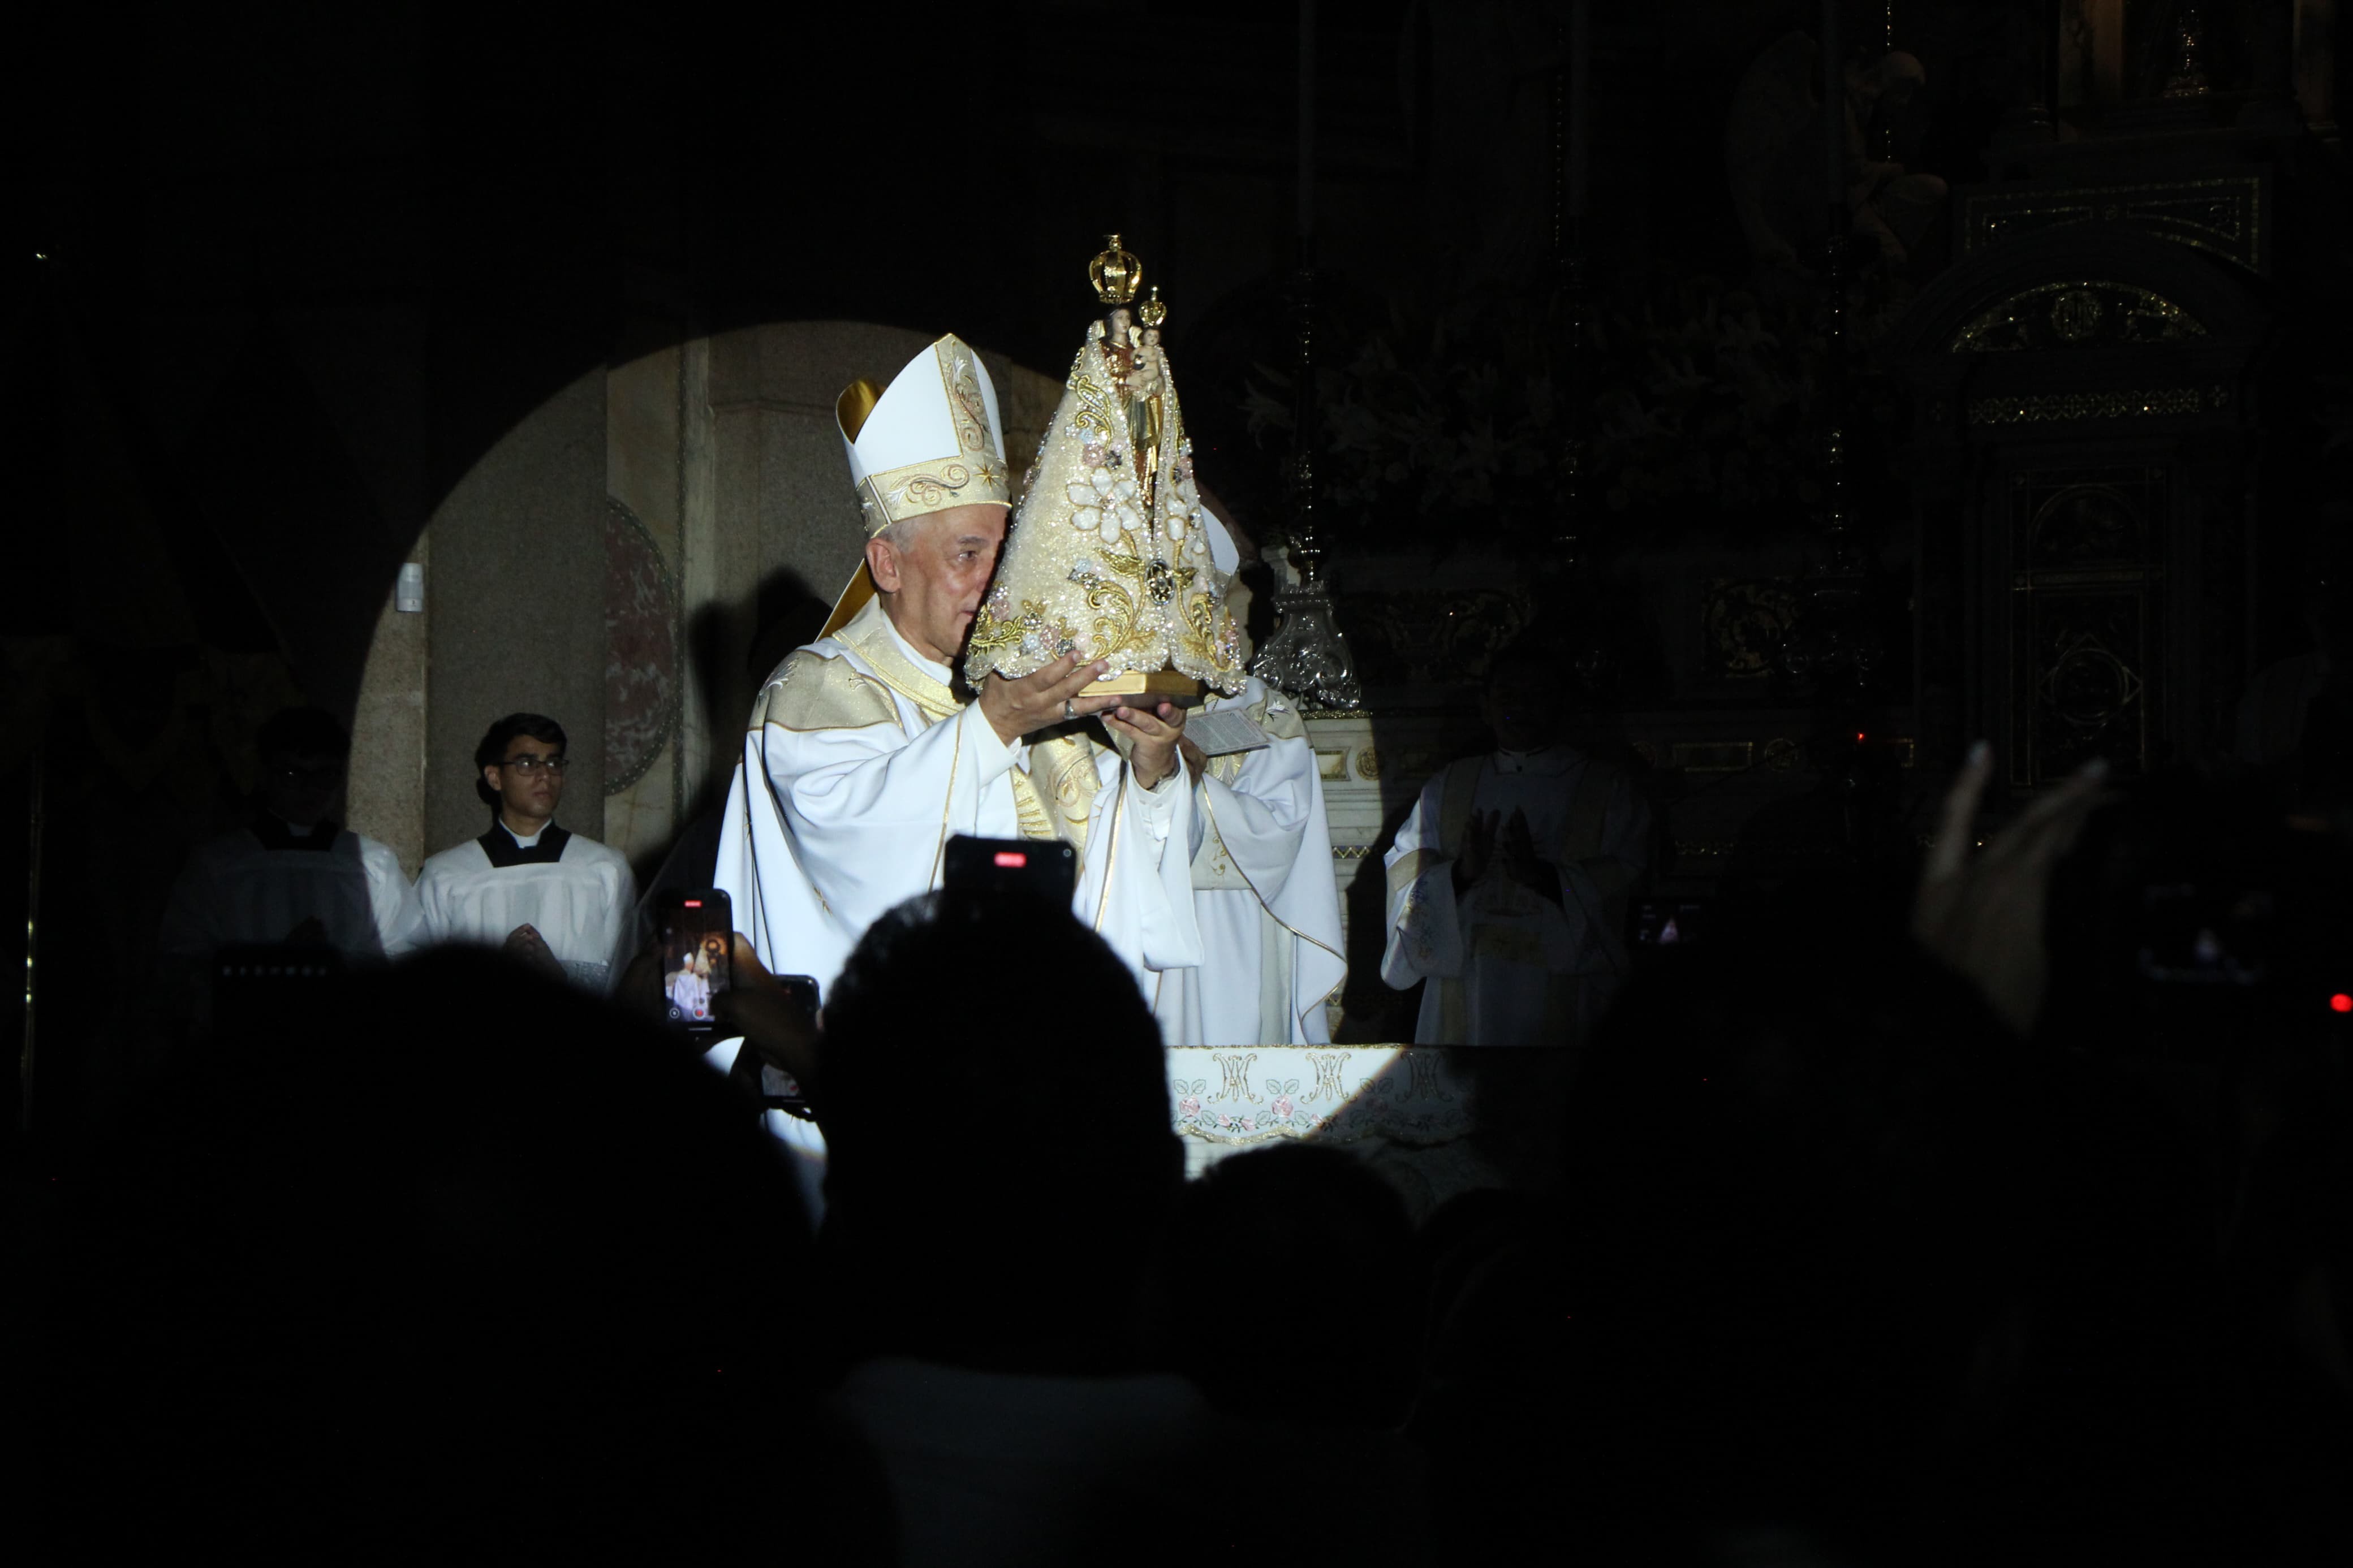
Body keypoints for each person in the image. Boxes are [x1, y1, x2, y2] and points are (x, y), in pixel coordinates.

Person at [713, 334, 1199, 1005]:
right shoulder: (816, 688)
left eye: (1005, 557)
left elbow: (1123, 883)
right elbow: (856, 859)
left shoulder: (1016, 682)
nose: (992, 583)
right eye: (966, 555)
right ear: (887, 565)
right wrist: (993, 725)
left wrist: (1151, 773)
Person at [1380, 646, 1650, 1046]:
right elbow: (1406, 867)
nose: (1519, 707)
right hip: (1466, 983)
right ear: (1485, 706)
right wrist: (1459, 875)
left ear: (1561, 704)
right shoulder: (1450, 786)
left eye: (1534, 694)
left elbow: (1631, 879)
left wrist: (1546, 879)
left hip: (1562, 991)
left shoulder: (1605, 791)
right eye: (1506, 694)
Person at [1152, 508, 1346, 1046]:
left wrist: (1192, 784)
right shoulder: (1122, 706)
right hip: (1145, 918)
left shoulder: (1266, 711)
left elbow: (1283, 827)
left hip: (1235, 924)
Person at [158, 706, 423, 1019]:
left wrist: (331, 965)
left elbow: (409, 960)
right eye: (292, 774)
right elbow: (182, 967)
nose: (309, 789)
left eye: (324, 775)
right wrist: (277, 964)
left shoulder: (373, 863)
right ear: (265, 776)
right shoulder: (220, 866)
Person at [415, 712, 636, 991]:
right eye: (527, 764)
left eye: (554, 763)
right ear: (495, 777)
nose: (545, 775)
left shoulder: (604, 869)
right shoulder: (447, 875)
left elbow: (628, 983)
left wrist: (561, 978)